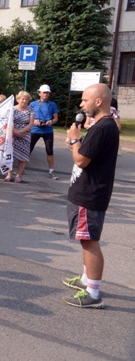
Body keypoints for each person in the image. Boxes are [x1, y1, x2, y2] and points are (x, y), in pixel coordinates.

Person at [62, 83, 119, 308]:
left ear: (98, 102)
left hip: (90, 194)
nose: (81, 104)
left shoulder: (103, 127)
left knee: (89, 241)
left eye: (85, 100)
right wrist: (76, 144)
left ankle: (93, 294)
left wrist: (76, 139)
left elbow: (81, 160)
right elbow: (86, 154)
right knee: (84, 239)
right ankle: (87, 280)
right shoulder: (101, 126)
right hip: (84, 192)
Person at [30, 84, 59, 180]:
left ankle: (51, 171)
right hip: (35, 130)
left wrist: (51, 121)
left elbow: (56, 118)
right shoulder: (33, 104)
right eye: (44, 93)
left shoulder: (52, 104)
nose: (46, 95)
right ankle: (20, 169)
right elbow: (28, 116)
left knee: (49, 151)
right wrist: (34, 121)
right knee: (28, 149)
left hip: (48, 130)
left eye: (47, 93)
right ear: (39, 93)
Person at [5, 91, 34, 183]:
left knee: (23, 156)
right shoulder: (12, 109)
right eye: (23, 99)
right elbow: (8, 121)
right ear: (18, 99)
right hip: (12, 134)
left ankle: (19, 175)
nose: (24, 101)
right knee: (10, 154)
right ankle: (9, 174)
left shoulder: (31, 110)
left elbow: (30, 124)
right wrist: (15, 132)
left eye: (26, 99)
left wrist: (21, 131)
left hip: (25, 135)